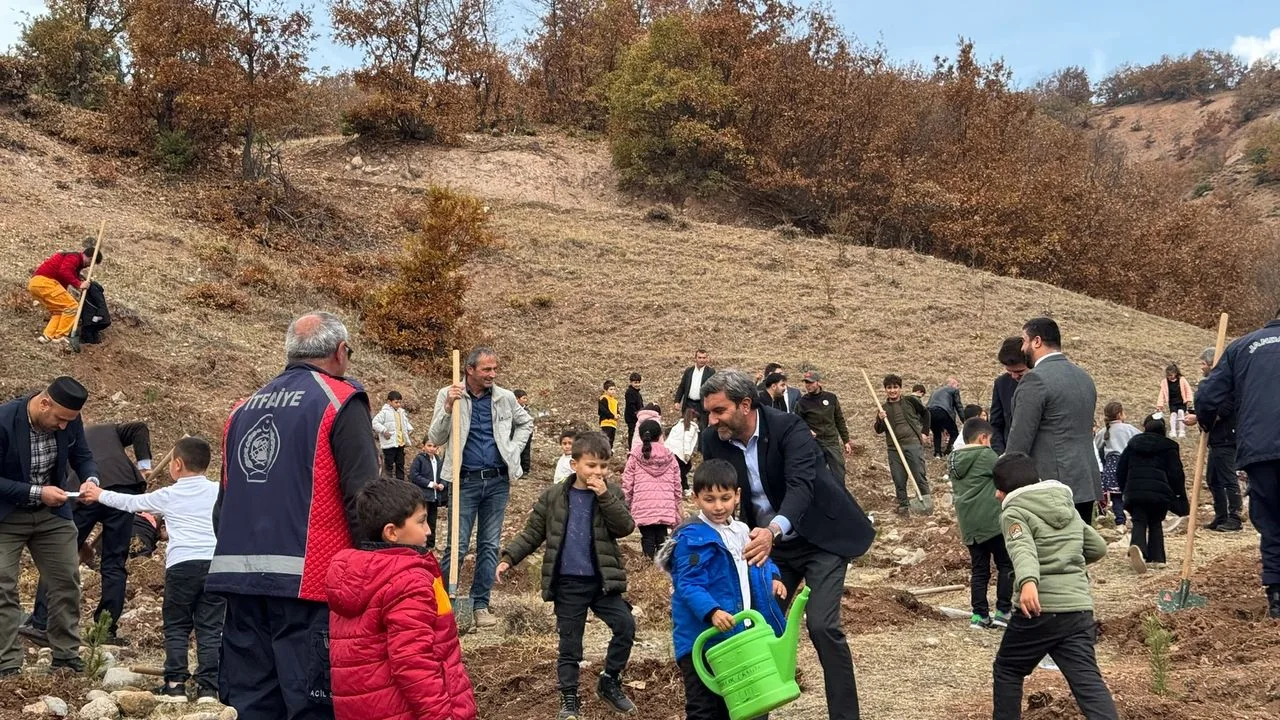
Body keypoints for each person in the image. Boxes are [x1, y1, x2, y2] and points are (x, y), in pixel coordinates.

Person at [207, 311, 379, 720]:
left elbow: (225, 502)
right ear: (340, 353)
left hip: (241, 582)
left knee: (250, 704)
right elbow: (364, 498)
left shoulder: (242, 410)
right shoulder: (339, 400)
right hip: (312, 583)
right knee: (311, 705)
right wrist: (374, 572)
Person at [699, 370, 875, 720]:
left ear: (745, 405)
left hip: (820, 539)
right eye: (709, 411)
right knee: (756, 625)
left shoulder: (788, 429)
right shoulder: (713, 439)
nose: (711, 419)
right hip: (770, 549)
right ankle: (756, 710)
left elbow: (801, 487)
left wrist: (772, 531)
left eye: (719, 411)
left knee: (823, 627)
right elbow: (719, 493)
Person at [496, 432, 637, 720]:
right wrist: (509, 558)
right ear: (574, 465)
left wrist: (605, 496)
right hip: (568, 583)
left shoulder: (612, 494)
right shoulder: (554, 496)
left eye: (603, 466)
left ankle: (609, 680)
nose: (597, 472)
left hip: (602, 582)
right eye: (591, 466)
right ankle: (569, 700)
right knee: (570, 644)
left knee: (625, 626)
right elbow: (533, 531)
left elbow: (625, 527)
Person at [81, 437, 223, 703]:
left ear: (177, 464)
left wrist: (98, 494)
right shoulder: (219, 490)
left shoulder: (169, 494)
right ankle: (208, 689)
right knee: (210, 627)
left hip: (182, 565)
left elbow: (131, 503)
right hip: (215, 565)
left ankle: (175, 684)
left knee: (178, 625)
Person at [326, 479, 477, 720]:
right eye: (420, 521)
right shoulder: (408, 582)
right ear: (392, 532)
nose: (428, 530)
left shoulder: (354, 579)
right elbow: (414, 663)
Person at [657, 459, 789, 720]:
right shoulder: (691, 538)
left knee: (750, 702)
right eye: (710, 499)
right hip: (703, 640)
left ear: (737, 496)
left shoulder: (742, 531)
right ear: (695, 498)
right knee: (704, 707)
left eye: (725, 498)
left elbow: (760, 561)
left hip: (740, 636)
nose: (718, 506)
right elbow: (689, 583)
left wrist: (773, 577)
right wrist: (712, 611)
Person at [991, 452, 1117, 720]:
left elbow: (1022, 548)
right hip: (1078, 609)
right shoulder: (1065, 506)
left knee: (1008, 669)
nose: (996, 496)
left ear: (1006, 490)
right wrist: (1069, 563)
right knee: (1088, 683)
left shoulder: (1014, 511)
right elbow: (1097, 547)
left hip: (1040, 609)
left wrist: (1027, 582)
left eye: (998, 489)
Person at [0, 377, 100, 676]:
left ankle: (66, 656)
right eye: (59, 419)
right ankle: (7, 662)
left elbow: (83, 456)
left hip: (51, 514)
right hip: (6, 516)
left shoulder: (69, 420)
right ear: (45, 403)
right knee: (3, 586)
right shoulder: (4, 420)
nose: (63, 427)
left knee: (66, 581)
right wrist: (36, 491)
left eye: (69, 421)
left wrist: (91, 479)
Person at [429, 346, 532, 630]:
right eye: (486, 369)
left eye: (495, 369)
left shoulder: (504, 398)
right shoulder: (449, 394)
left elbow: (526, 423)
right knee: (457, 544)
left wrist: (513, 449)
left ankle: (480, 604)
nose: (492, 374)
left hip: (497, 481)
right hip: (464, 481)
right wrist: (449, 408)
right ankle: (440, 603)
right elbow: (435, 437)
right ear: (470, 370)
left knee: (489, 544)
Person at [24, 421, 154, 647]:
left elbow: (53, 487)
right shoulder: (107, 429)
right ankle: (105, 631)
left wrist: (73, 541)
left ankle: (41, 623)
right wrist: (144, 465)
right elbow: (139, 428)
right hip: (124, 489)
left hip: (83, 493)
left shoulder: (60, 441)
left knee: (58, 558)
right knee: (114, 563)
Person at [1194, 309, 1280, 617]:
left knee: (1271, 520)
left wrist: (1205, 420)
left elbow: (1206, 395)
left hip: (1261, 449)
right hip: (1260, 446)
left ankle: (1277, 595)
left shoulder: (1242, 347)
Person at [1006, 317, 1102, 524]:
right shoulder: (1084, 377)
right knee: (1078, 552)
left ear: (1037, 341)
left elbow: (1019, 441)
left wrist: (1005, 483)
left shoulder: (1035, 379)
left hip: (1051, 487)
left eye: (1024, 341)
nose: (1022, 347)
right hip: (1085, 481)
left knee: (1054, 554)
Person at [949, 418, 1012, 630]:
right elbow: (1005, 475)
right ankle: (1003, 612)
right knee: (1005, 565)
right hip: (992, 521)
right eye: (990, 440)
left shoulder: (954, 459)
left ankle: (979, 615)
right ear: (982, 437)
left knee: (979, 570)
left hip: (969, 524)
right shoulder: (985, 455)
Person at [1115, 414, 1188, 574]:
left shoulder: (1133, 445)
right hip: (1160, 493)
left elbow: (1120, 469)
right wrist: (1179, 495)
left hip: (1135, 491)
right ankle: (1157, 558)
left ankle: (1138, 548)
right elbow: (1176, 474)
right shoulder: (1169, 447)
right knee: (1155, 522)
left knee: (1139, 520)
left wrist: (1125, 488)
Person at [1184, 347, 1242, 532]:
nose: (1201, 368)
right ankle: (1221, 515)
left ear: (1211, 364)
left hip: (1227, 437)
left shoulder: (1229, 386)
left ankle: (1235, 517)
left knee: (1228, 478)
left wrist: (1199, 418)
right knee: (1213, 479)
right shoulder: (1214, 386)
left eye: (1203, 364)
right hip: (1216, 439)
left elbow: (1222, 411)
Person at [622, 419, 682, 560]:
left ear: (641, 436)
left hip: (643, 505)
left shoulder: (635, 456)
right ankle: (662, 566)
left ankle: (648, 563)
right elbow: (677, 483)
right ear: (660, 435)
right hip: (665, 505)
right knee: (662, 535)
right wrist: (677, 503)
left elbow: (627, 482)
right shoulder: (669, 456)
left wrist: (627, 502)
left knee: (647, 536)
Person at [873, 374, 932, 516]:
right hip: (894, 448)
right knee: (898, 478)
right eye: (889, 388)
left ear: (900, 388)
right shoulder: (883, 408)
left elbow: (926, 414)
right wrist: (880, 419)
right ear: (885, 390)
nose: (892, 390)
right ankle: (903, 505)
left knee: (919, 474)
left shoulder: (911, 401)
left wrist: (924, 432)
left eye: (895, 387)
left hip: (912, 444)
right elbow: (878, 429)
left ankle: (926, 504)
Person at [27, 239, 103, 345]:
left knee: (59, 311)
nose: (89, 266)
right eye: (91, 263)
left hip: (36, 284)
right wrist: (79, 284)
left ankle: (47, 336)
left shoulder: (74, 263)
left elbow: (63, 282)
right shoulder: (74, 257)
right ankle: (60, 337)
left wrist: (78, 285)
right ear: (90, 259)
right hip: (45, 282)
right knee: (72, 306)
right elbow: (64, 271)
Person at [794, 370, 855, 483]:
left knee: (839, 473)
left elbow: (839, 419)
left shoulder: (831, 398)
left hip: (831, 441)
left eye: (811, 382)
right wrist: (807, 431)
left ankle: (839, 497)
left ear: (818, 382)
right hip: (815, 443)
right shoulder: (802, 402)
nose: (808, 385)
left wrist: (846, 440)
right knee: (817, 474)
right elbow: (797, 423)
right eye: (806, 382)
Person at [1093, 402, 1141, 530]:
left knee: (1116, 496)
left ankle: (1120, 522)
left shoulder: (1103, 432)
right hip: (1128, 464)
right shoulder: (1129, 429)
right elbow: (1141, 440)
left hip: (1111, 466)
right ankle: (1137, 519)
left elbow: (1096, 447)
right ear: (1120, 414)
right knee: (1131, 493)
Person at [990, 337, 1031, 454]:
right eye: (1009, 371)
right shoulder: (1001, 384)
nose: (1014, 376)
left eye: (1019, 372)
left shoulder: (1044, 383)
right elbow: (996, 425)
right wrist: (1001, 453)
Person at [408, 439, 446, 549]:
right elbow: (414, 475)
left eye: (434, 446)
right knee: (421, 520)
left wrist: (442, 484)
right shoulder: (419, 459)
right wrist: (429, 483)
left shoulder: (438, 460)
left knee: (432, 522)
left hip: (434, 496)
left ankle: (430, 545)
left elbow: (443, 475)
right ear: (423, 446)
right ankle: (419, 544)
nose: (432, 448)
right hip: (423, 495)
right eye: (429, 445)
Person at [372, 391, 414, 480]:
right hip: (389, 444)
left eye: (399, 402)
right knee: (388, 466)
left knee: (400, 464)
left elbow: (404, 423)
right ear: (389, 402)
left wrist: (409, 430)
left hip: (400, 443)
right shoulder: (384, 413)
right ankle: (388, 485)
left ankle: (400, 484)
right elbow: (374, 422)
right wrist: (384, 431)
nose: (398, 404)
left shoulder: (401, 412)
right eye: (396, 402)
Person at [674, 349, 716, 428]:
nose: (702, 360)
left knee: (702, 428)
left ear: (707, 359)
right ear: (695, 358)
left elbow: (714, 390)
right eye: (699, 358)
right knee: (686, 427)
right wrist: (677, 401)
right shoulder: (689, 371)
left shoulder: (711, 372)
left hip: (702, 405)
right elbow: (682, 386)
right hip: (688, 404)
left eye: (704, 358)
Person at [926, 378, 965, 457]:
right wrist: (964, 420)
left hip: (930, 413)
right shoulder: (953, 390)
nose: (958, 387)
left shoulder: (936, 391)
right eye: (957, 385)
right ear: (952, 384)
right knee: (954, 433)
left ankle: (937, 453)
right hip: (943, 411)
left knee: (936, 433)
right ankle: (948, 452)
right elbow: (958, 406)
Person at [664, 408, 700, 494]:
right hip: (679, 452)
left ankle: (679, 485)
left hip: (670, 449)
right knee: (683, 469)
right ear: (694, 418)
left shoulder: (678, 424)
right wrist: (687, 453)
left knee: (682, 468)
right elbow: (687, 440)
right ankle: (684, 487)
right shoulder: (691, 427)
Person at [1155, 364, 1192, 439]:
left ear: (1175, 373)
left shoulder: (1182, 380)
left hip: (1182, 401)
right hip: (1172, 402)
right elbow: (1162, 394)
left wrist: (1189, 399)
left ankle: (1182, 431)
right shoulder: (1165, 383)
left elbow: (1188, 389)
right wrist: (1160, 404)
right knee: (1173, 415)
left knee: (1181, 413)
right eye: (1168, 375)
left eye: (1171, 375)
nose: (1169, 377)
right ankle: (1173, 431)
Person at [79, 280, 111, 344]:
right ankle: (95, 345)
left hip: (93, 317)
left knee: (88, 333)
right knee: (91, 332)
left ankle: (92, 347)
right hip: (89, 318)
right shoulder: (85, 290)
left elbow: (101, 302)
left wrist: (99, 315)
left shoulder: (93, 288)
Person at [514, 390, 534, 477]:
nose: (525, 400)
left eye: (526, 398)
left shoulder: (527, 410)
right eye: (523, 398)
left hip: (527, 433)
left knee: (526, 451)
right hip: (515, 432)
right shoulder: (513, 409)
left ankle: (525, 470)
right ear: (517, 399)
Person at [624, 373, 644, 446]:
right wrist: (637, 414)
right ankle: (631, 449)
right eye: (635, 383)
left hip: (637, 417)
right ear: (631, 382)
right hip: (632, 418)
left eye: (638, 382)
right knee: (632, 433)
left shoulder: (637, 393)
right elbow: (631, 406)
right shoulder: (630, 392)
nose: (637, 384)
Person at [598, 381, 619, 447]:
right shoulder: (603, 398)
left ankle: (610, 451)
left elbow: (617, 410)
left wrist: (618, 414)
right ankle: (604, 452)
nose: (613, 391)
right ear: (605, 390)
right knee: (606, 438)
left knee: (611, 439)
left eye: (614, 389)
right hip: (606, 422)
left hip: (613, 423)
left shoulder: (615, 401)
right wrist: (612, 416)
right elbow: (603, 410)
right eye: (611, 389)